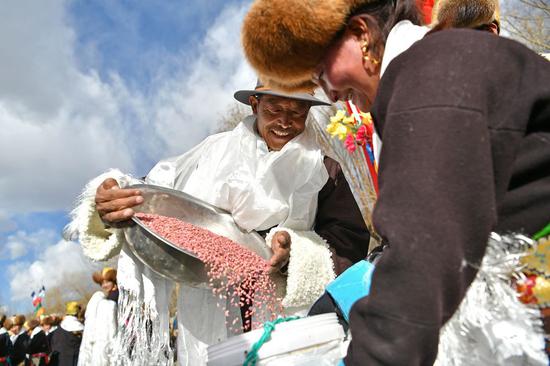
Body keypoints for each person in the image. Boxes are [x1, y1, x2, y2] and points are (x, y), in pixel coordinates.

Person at [241, 0, 550, 364]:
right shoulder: (424, 73)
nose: (330, 93)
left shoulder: (431, 72)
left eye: (321, 71)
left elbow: (424, 254)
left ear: (362, 35)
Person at [66, 81, 371, 364]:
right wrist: (113, 196)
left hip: (285, 317)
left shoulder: (323, 167)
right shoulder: (212, 154)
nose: (285, 121)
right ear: (254, 104)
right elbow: (153, 195)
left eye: (296, 111)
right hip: (206, 309)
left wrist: (295, 252)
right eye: (274, 109)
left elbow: (347, 239)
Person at [78, 268, 118, 366]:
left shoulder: (118, 294)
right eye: (102, 283)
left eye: (107, 282)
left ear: (113, 281)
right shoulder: (106, 297)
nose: (104, 285)